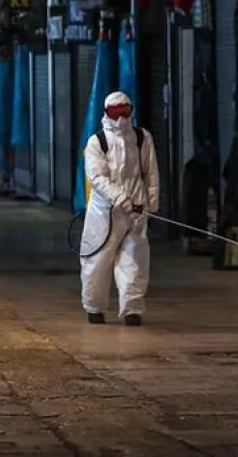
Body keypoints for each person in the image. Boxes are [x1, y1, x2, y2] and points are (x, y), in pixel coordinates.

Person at [79, 91, 159, 326]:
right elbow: (97, 177)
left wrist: (150, 202)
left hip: (135, 211)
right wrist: (120, 198)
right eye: (116, 111)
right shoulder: (97, 142)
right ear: (106, 112)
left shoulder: (142, 138)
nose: (121, 117)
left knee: (134, 260)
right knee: (97, 260)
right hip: (104, 214)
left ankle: (132, 309)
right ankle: (94, 306)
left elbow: (151, 172)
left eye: (125, 111)